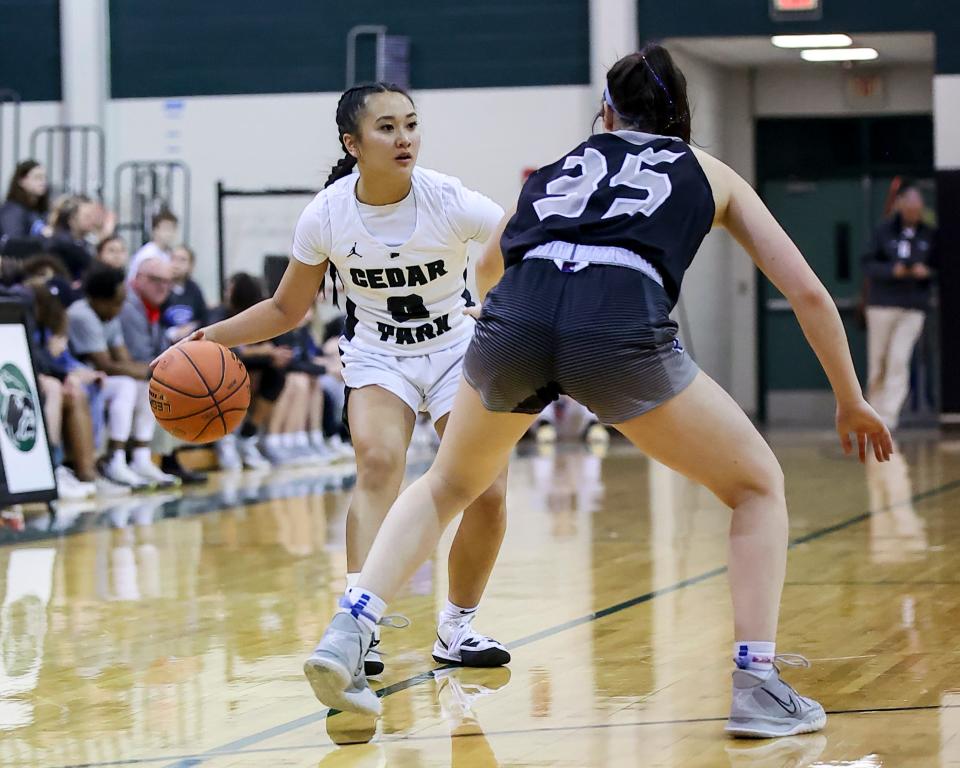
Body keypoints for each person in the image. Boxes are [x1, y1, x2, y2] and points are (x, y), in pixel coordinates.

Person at [302, 46, 894, 738]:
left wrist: (508, 334)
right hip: (616, 319)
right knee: (757, 484)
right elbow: (808, 294)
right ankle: (757, 682)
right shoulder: (709, 170)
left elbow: (490, 264)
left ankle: (351, 629)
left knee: (446, 485)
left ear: (606, 111)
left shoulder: (561, 166)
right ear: (680, 113)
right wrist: (850, 398)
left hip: (515, 315)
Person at [165, 83, 511, 675]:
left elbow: (517, 235)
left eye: (410, 124)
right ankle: (360, 625)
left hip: (458, 347)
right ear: (352, 143)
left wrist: (501, 301)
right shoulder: (326, 214)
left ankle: (457, 629)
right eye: (386, 128)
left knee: (489, 491)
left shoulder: (447, 198)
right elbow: (285, 310)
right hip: (380, 354)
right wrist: (211, 337)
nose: (404, 138)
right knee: (378, 465)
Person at [67, 265, 167, 489]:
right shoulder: (81, 315)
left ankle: (141, 457)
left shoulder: (108, 316)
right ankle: (115, 458)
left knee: (150, 386)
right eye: (117, 302)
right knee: (126, 385)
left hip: (98, 379)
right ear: (99, 300)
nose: (121, 308)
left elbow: (124, 359)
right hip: (79, 378)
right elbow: (107, 365)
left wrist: (152, 374)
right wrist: (152, 370)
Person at [862, 181, 937, 429]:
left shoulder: (929, 233)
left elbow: (939, 267)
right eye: (910, 206)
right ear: (900, 205)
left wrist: (925, 271)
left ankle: (888, 418)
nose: (914, 212)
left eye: (919, 207)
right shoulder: (883, 231)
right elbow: (868, 264)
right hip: (882, 305)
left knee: (899, 359)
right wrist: (892, 271)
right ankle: (872, 412)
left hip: (913, 307)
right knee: (878, 361)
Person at [118, 254, 185, 486]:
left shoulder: (152, 308)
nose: (163, 286)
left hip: (136, 371)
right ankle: (131, 457)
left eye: (168, 281)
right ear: (137, 278)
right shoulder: (129, 307)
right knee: (156, 386)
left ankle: (146, 457)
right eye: (156, 279)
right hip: (120, 373)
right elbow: (141, 355)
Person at [0, 160, 49, 244]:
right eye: (37, 177)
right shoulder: (12, 210)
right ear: (21, 181)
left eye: (44, 178)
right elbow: (13, 242)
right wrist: (43, 237)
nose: (43, 182)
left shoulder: (40, 209)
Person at [128, 210, 177, 283]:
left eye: (172, 229)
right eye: (166, 228)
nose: (169, 233)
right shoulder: (147, 254)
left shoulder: (168, 253)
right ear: (155, 230)